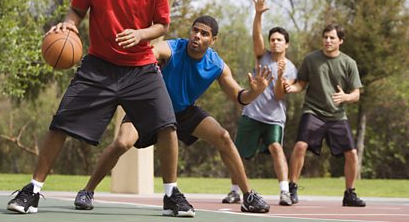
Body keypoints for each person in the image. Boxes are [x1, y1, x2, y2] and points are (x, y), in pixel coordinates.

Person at [7, 0, 194, 217]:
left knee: (167, 126)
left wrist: (141, 34)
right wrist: (69, 25)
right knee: (60, 124)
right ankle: (33, 190)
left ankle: (171, 195)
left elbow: (162, 24)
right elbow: (77, 10)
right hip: (99, 68)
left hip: (141, 70)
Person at [74, 15, 272, 214]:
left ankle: (248, 197)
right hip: (149, 107)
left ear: (213, 40)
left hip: (183, 111)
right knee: (122, 143)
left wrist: (255, 91)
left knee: (224, 137)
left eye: (204, 34)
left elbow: (239, 97)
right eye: (195, 30)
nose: (197, 36)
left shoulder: (217, 65)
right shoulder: (173, 48)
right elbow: (154, 51)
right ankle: (87, 191)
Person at [222, 0, 297, 206]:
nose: (274, 42)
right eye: (272, 39)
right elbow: (256, 37)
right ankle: (235, 191)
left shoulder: (291, 68)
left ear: (286, 44)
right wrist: (258, 15)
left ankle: (284, 192)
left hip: (274, 118)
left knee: (276, 148)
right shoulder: (261, 56)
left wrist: (281, 76)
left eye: (279, 40)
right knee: (240, 154)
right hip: (252, 114)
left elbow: (280, 95)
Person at [284, 23, 366, 207]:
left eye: (332, 38)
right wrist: (291, 88)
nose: (328, 41)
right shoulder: (311, 59)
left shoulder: (349, 63)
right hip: (313, 111)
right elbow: (301, 84)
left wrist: (345, 96)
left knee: (352, 153)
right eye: (325, 37)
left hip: (337, 115)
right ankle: (292, 188)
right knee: (300, 145)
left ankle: (349, 194)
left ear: (340, 41)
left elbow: (356, 94)